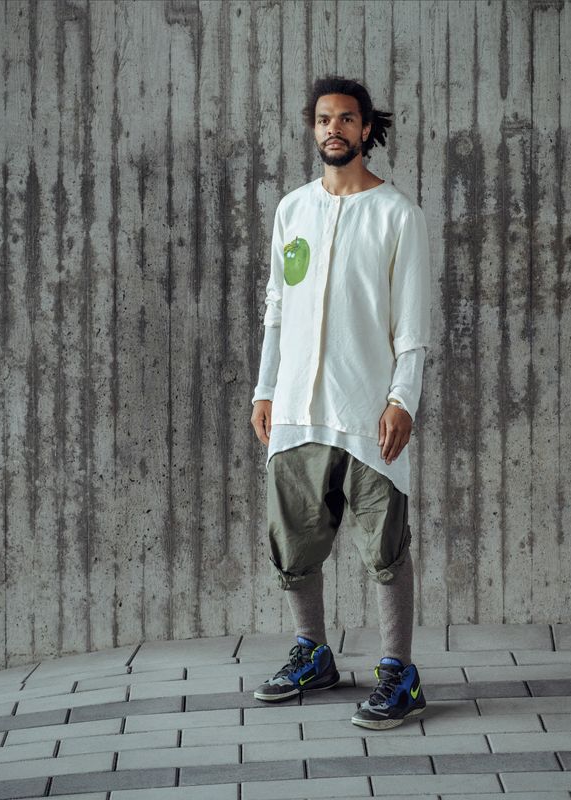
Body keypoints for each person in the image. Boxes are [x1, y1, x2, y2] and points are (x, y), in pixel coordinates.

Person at [249, 76, 430, 730]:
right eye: (323, 118)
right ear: (313, 126)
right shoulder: (292, 211)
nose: (333, 129)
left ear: (365, 128)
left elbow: (412, 329)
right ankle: (313, 653)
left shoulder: (398, 217)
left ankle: (399, 673)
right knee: (293, 544)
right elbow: (276, 309)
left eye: (346, 119)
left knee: (385, 547)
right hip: (296, 408)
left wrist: (402, 400)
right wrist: (266, 388)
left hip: (364, 414)